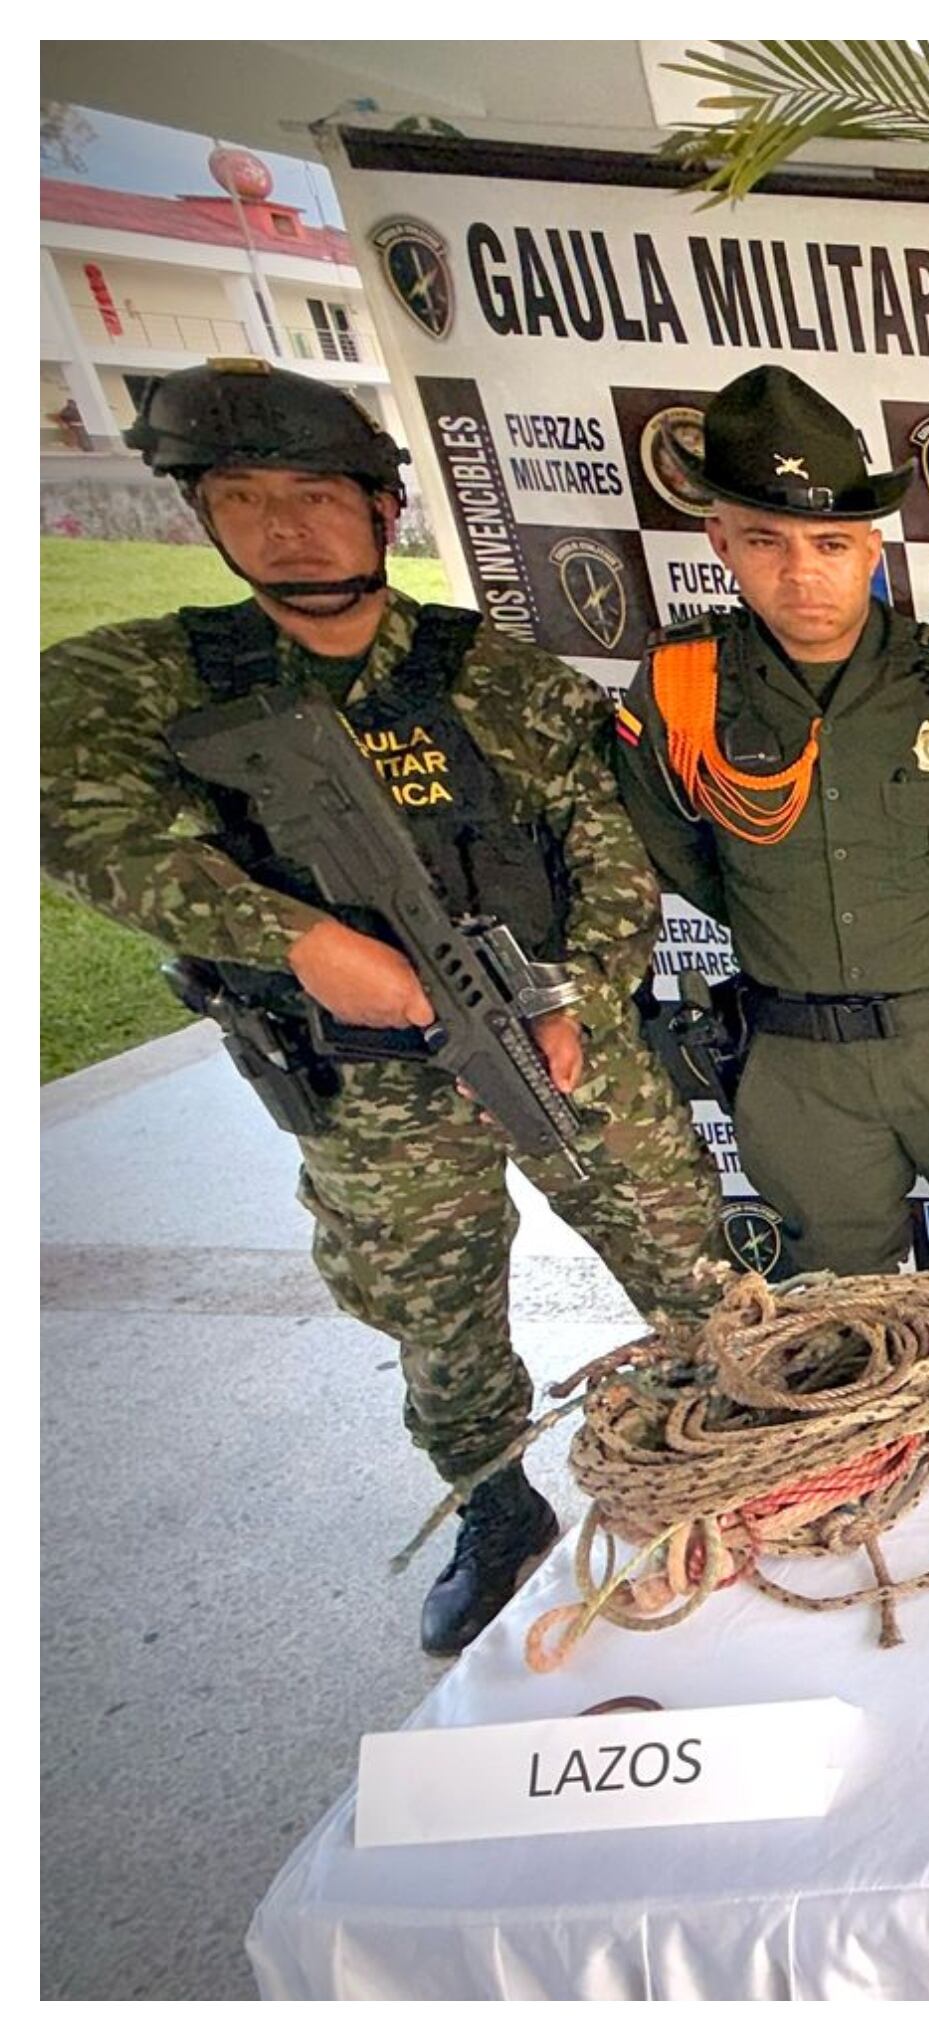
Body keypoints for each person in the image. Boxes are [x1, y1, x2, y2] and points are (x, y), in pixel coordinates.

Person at [40, 360, 726, 1654]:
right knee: (438, 1319)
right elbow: (72, 820)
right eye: (244, 498)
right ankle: (495, 1510)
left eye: (313, 493)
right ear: (203, 515)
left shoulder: (496, 680)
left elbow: (610, 851)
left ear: (379, 506)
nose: (286, 525)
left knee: (687, 1262)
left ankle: (730, 1458)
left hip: (552, 1043)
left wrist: (573, 1000)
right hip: (363, 1086)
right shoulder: (147, 685)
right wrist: (294, 938)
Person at [610, 365, 929, 1316]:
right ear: (721, 541)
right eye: (767, 542)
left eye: (830, 543)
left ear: (870, 549)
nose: (802, 574)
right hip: (801, 1062)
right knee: (836, 1300)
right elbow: (686, 859)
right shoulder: (681, 690)